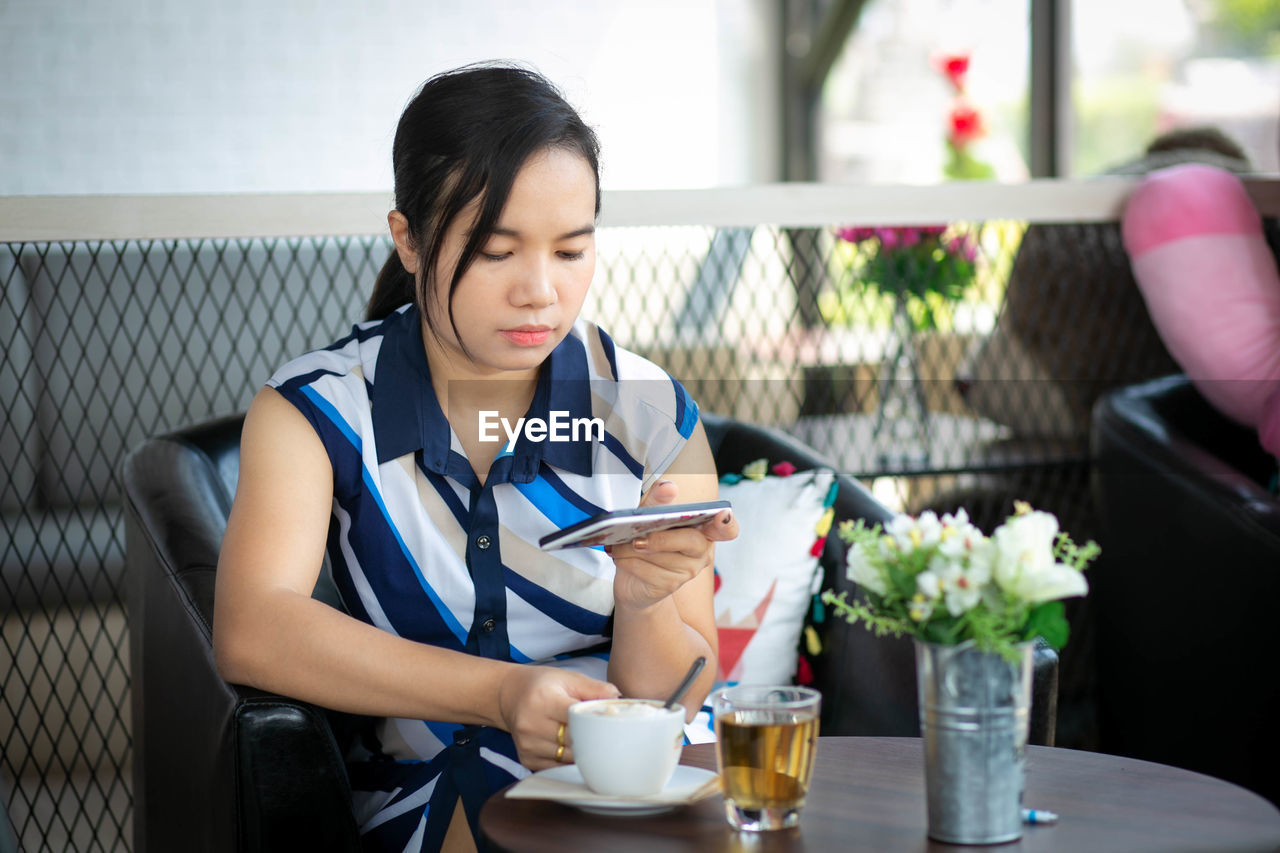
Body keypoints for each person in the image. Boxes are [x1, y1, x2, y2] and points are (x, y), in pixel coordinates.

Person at [212, 63, 736, 852]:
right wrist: (500, 693)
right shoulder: (317, 409)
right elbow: (253, 626)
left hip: (635, 790)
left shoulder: (649, 408)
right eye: (497, 251)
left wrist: (644, 598)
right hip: (427, 795)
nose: (540, 290)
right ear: (410, 241)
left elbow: (671, 695)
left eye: (571, 250)